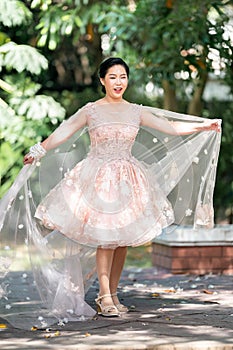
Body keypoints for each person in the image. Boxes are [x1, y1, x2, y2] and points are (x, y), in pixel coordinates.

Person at [0, 57, 221, 327]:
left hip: (129, 180)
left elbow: (171, 128)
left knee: (121, 239)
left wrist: (204, 125)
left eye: (123, 77)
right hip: (98, 178)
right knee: (106, 238)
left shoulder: (135, 111)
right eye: (113, 77)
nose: (119, 82)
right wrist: (40, 149)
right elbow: (65, 130)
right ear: (102, 80)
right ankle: (104, 296)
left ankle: (113, 294)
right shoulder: (91, 110)